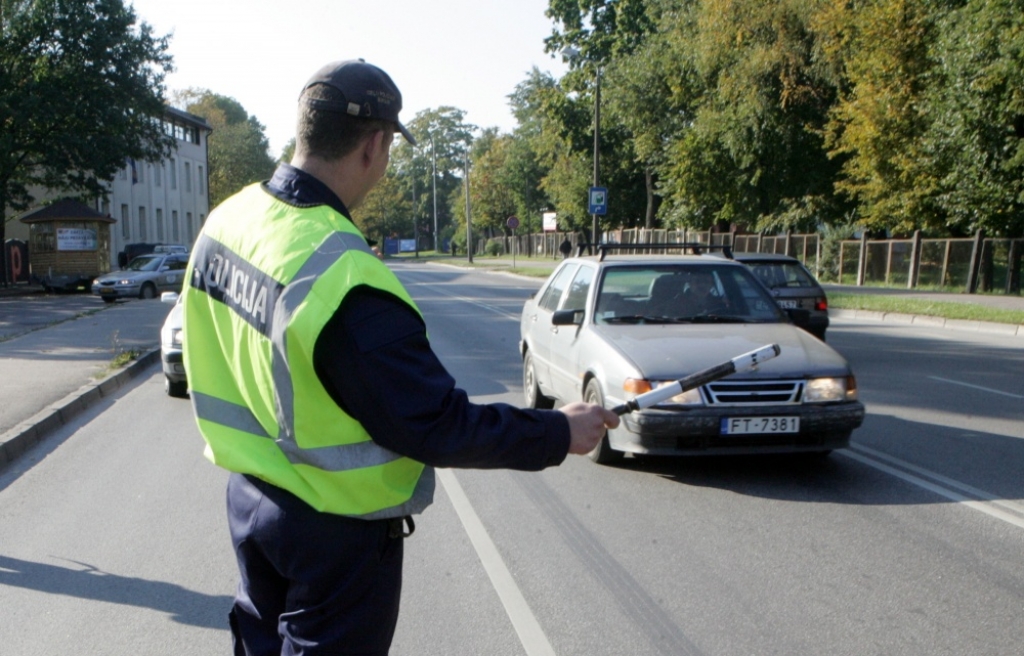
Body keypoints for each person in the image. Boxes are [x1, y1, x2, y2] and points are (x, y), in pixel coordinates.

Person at [180, 59, 619, 656]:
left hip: (252, 502)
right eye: (387, 153)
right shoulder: (344, 275)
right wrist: (556, 431)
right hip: (331, 531)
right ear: (374, 145)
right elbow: (435, 424)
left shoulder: (228, 221)